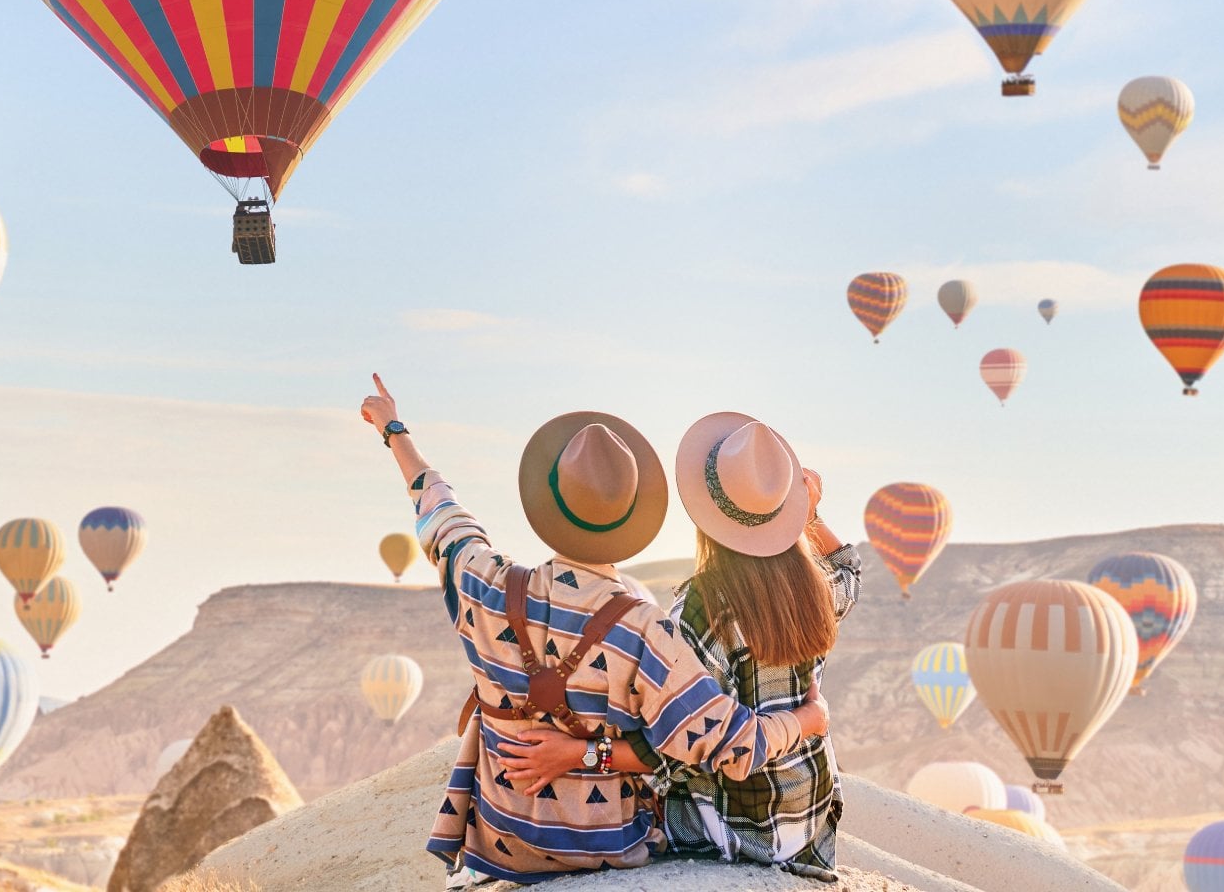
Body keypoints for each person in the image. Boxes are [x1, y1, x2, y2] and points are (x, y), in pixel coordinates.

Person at [358, 377, 830, 885]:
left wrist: (394, 429)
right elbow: (736, 748)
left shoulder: (484, 582)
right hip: (608, 847)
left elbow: (441, 510)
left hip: (503, 840)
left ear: (548, 501)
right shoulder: (646, 630)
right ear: (632, 515)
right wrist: (810, 719)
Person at [502, 413, 861, 881]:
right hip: (808, 819)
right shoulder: (816, 586)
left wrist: (577, 755)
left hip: (732, 830)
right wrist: (809, 516)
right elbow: (848, 570)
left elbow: (668, 750)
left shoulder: (701, 611)